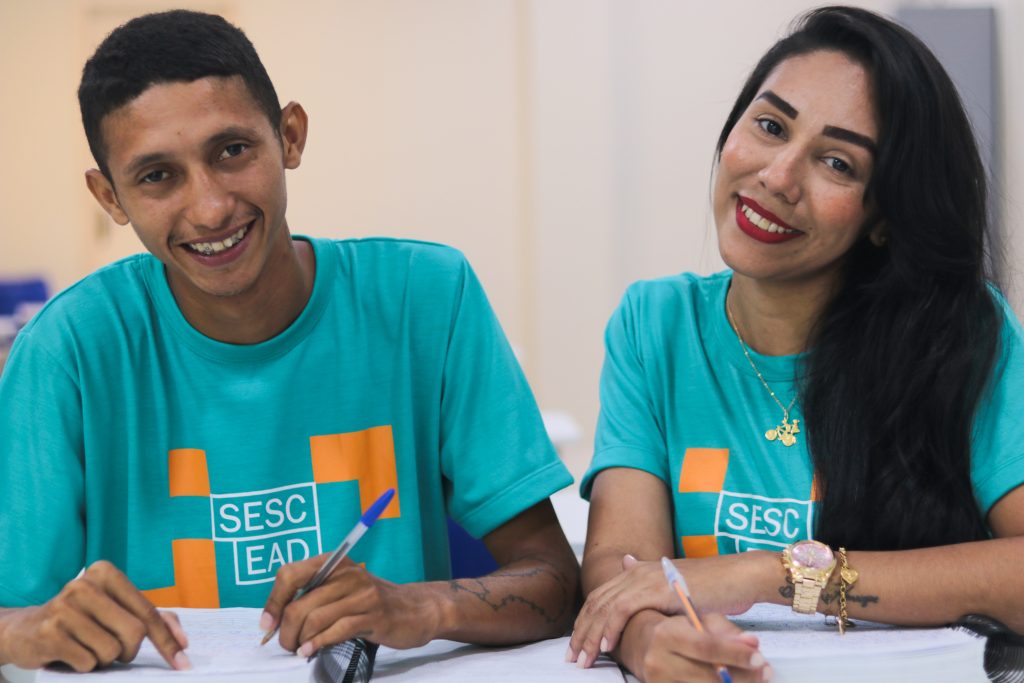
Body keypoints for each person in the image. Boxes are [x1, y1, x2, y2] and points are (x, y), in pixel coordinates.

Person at [0, 9, 579, 674]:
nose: (211, 208)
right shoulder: (68, 350)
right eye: (157, 175)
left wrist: (419, 607)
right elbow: (10, 612)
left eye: (232, 151)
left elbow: (555, 584)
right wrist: (25, 630)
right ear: (109, 197)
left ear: (291, 137)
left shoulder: (425, 298)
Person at [566, 6, 1024, 682]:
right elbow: (621, 564)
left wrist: (772, 574)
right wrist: (647, 640)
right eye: (771, 126)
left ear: (883, 218)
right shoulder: (654, 323)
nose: (777, 177)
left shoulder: (960, 335)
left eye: (837, 162)